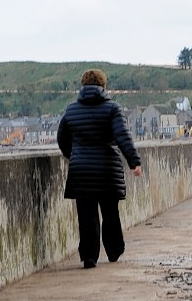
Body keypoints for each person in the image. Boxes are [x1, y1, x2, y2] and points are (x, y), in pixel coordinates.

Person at [57, 69, 142, 268]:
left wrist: (75, 156)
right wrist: (134, 162)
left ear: (82, 86)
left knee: (86, 215)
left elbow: (62, 140)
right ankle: (113, 251)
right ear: (103, 86)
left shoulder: (70, 110)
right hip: (107, 170)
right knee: (110, 212)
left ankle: (89, 256)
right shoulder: (112, 108)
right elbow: (122, 136)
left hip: (81, 171)